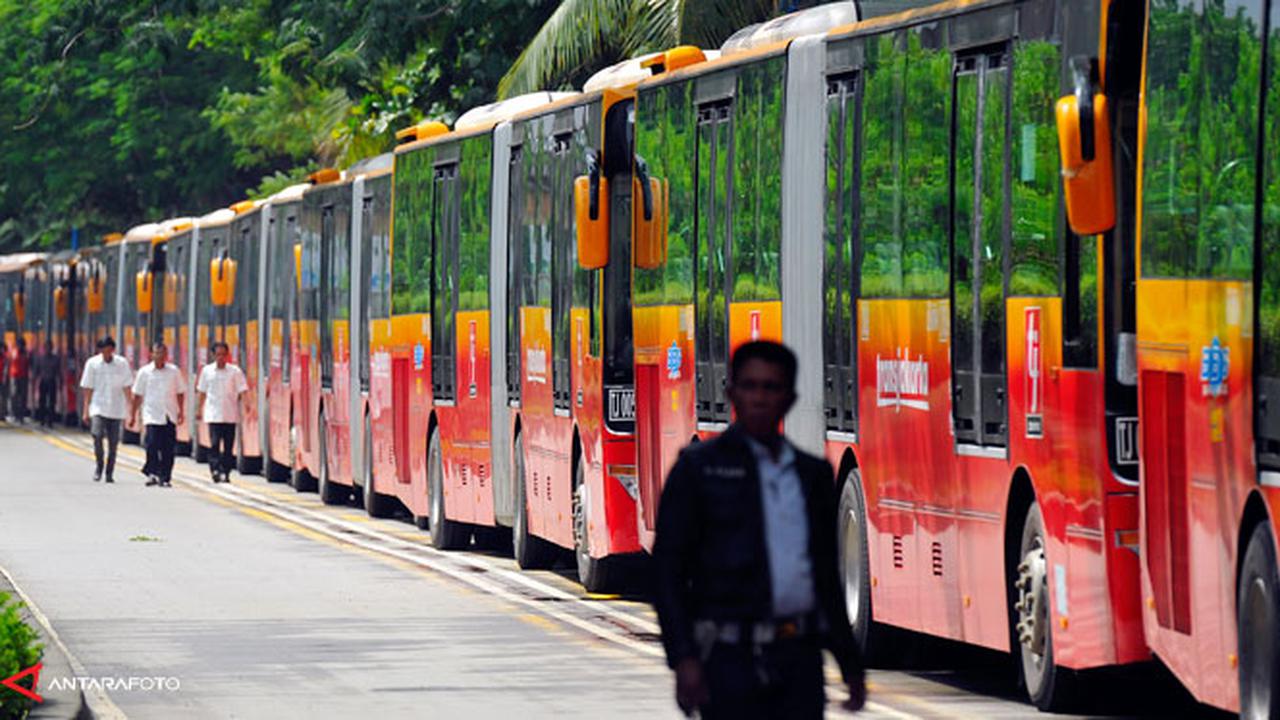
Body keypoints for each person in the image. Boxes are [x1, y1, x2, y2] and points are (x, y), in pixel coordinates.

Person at [653, 340, 866, 719]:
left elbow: (824, 578)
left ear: (789, 397)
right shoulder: (698, 470)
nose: (760, 398)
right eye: (750, 386)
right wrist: (683, 658)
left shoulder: (811, 475)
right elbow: (667, 572)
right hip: (727, 661)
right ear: (731, 392)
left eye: (771, 387)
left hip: (797, 661)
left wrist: (849, 662)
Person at [79, 337, 133, 483]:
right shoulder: (92, 364)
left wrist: (131, 409)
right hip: (98, 406)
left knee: (113, 443)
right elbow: (88, 387)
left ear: (113, 350)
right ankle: (99, 466)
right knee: (96, 435)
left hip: (116, 408)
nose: (106, 353)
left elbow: (127, 386)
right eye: (103, 350)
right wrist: (86, 409)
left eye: (109, 350)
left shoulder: (122, 364)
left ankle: (109, 472)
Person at [131, 342, 184, 488]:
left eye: (163, 353)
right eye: (157, 353)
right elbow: (137, 395)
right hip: (151, 414)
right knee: (152, 444)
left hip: (169, 414)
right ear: (151, 354)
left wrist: (181, 411)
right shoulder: (144, 372)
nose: (160, 356)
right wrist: (133, 414)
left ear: (167, 355)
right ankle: (152, 473)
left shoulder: (174, 371)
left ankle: (165, 476)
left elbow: (180, 392)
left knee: (168, 448)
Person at [196, 341, 248, 483]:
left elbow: (243, 390)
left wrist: (247, 407)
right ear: (213, 355)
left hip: (230, 414)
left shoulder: (235, 371)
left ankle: (226, 471)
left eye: (224, 355)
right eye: (218, 355)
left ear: (227, 356)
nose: (221, 358)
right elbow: (201, 392)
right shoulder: (207, 371)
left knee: (228, 447)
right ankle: (215, 469)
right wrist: (198, 409)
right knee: (214, 444)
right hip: (213, 414)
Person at [35, 340, 61, 428]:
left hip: (52, 381)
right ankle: (42, 420)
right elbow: (37, 371)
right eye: (47, 347)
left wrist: (60, 382)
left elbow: (58, 372)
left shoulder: (56, 358)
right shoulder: (40, 358)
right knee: (42, 401)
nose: (48, 349)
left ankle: (50, 421)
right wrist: (35, 380)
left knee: (52, 402)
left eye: (50, 347)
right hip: (43, 381)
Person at [8, 338, 29, 423]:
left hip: (23, 377)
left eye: (21, 344)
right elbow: (10, 362)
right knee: (14, 395)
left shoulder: (26, 353)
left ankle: (21, 415)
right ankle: (15, 413)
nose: (20, 346)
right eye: (18, 344)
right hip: (14, 376)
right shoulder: (13, 352)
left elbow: (28, 364)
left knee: (23, 397)